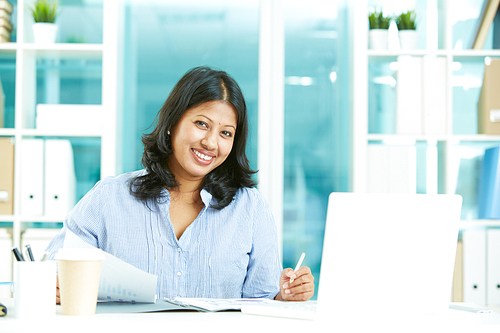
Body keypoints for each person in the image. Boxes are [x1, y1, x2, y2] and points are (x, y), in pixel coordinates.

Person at [45, 66, 314, 303]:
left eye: (225, 133)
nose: (211, 143)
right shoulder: (110, 198)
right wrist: (53, 284)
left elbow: (262, 300)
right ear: (173, 123)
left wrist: (285, 296)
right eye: (201, 124)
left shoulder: (250, 208)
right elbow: (52, 267)